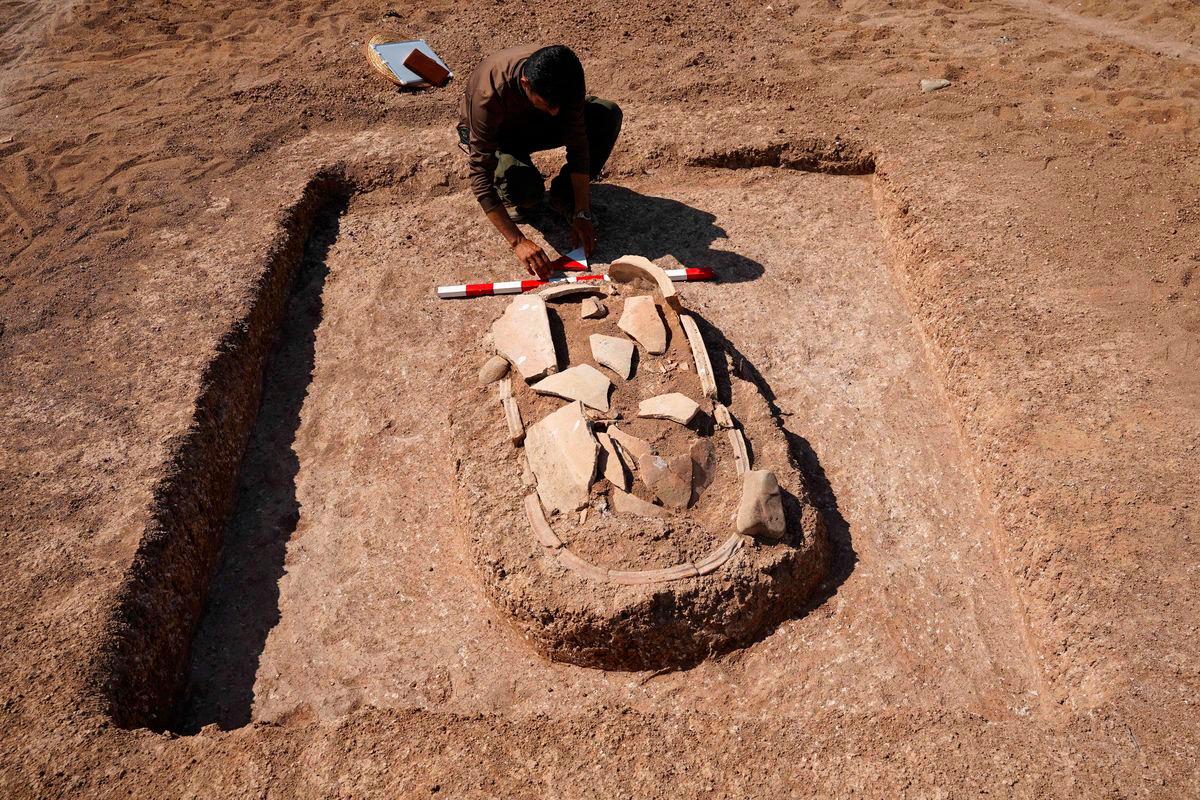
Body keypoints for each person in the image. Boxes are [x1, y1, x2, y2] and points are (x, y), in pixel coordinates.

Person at [458, 44, 622, 279]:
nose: (556, 112)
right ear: (526, 83)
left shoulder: (568, 78)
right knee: (525, 191)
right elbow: (479, 175)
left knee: (606, 114)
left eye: (559, 106)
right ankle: (514, 193)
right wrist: (518, 242)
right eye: (547, 103)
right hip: (500, 136)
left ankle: (563, 196)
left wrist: (582, 209)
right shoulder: (489, 95)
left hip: (534, 123)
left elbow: (578, 143)